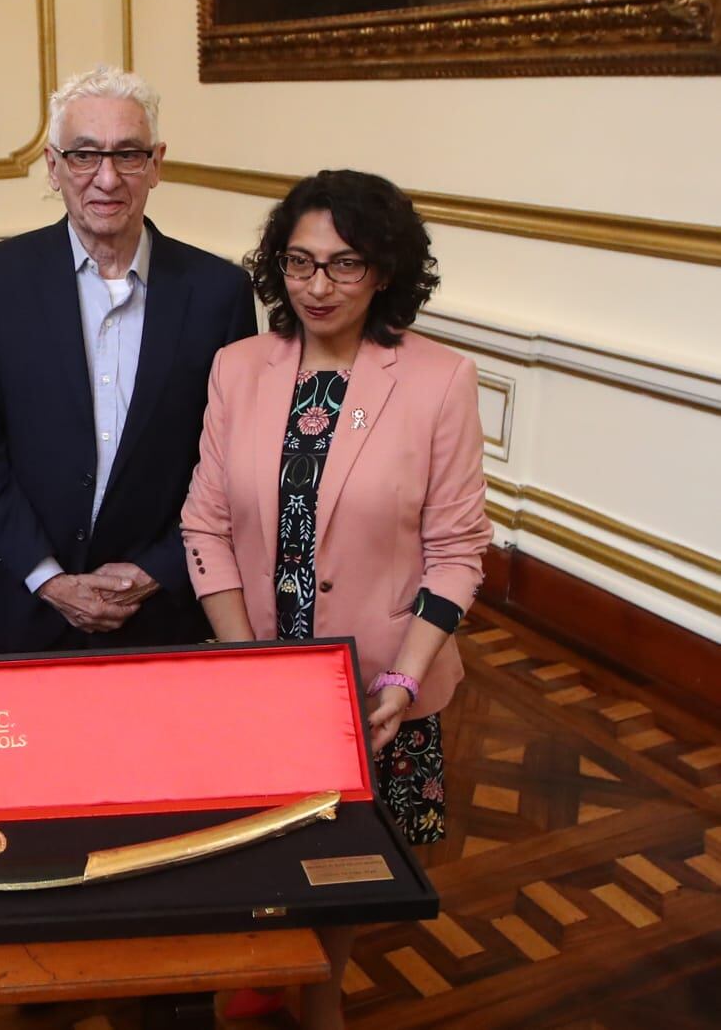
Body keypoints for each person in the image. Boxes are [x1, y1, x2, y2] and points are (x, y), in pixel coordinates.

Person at [179, 168, 490, 1028]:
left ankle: (322, 998)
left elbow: (458, 550)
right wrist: (247, 660)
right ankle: (252, 969)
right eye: (299, 262)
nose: (317, 286)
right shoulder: (238, 368)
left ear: (385, 270)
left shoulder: (438, 380)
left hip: (376, 685)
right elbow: (203, 524)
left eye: (344, 265)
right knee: (244, 846)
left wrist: (401, 678)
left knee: (342, 863)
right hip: (259, 669)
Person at [0, 67, 255, 654]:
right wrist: (46, 576)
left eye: (129, 155)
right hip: (28, 603)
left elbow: (227, 462)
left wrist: (158, 569)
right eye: (84, 155)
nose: (107, 178)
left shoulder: (218, 291)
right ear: (52, 165)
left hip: (161, 610)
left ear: (157, 164)